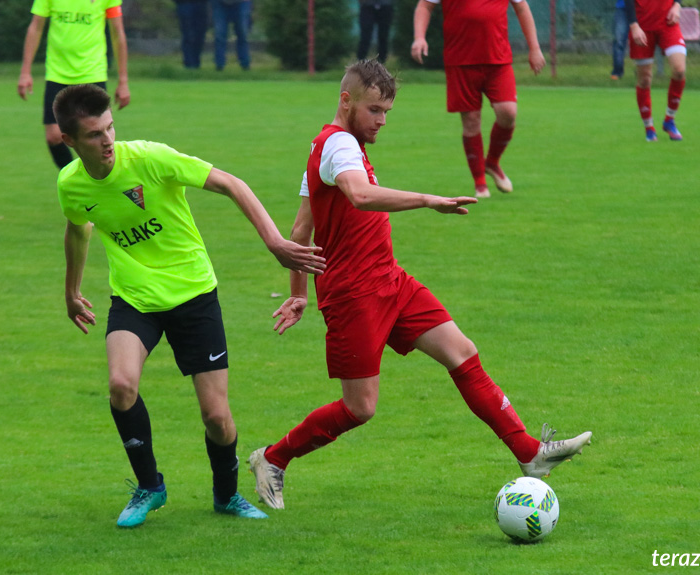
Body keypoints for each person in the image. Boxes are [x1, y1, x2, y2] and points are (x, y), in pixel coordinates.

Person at [247, 60, 592, 511]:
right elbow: (361, 196)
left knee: (462, 352)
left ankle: (530, 454)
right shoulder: (338, 148)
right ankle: (272, 458)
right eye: (375, 110)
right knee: (359, 408)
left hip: (390, 279)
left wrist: (298, 293)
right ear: (346, 101)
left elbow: (299, 233)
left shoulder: (328, 148)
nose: (382, 121)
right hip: (353, 295)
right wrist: (429, 200)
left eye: (387, 111)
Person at [53, 84, 327, 527]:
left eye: (110, 128)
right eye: (93, 135)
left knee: (217, 417)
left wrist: (275, 241)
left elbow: (231, 183)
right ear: (69, 141)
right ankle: (150, 486)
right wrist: (71, 291)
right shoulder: (71, 183)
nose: (107, 141)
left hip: (193, 294)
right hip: (134, 297)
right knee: (121, 386)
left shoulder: (149, 158)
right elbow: (78, 230)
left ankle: (226, 496)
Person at [411, 0, 545, 198]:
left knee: (508, 112)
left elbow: (522, 7)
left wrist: (534, 48)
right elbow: (425, 5)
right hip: (461, 60)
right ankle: (480, 183)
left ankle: (491, 162)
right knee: (471, 120)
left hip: (498, 59)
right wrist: (419, 37)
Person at [18, 0, 131, 170]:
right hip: (57, 75)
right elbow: (36, 28)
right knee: (54, 137)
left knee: (99, 136)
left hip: (93, 73)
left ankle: (103, 183)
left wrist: (123, 81)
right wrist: (25, 72)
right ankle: (77, 179)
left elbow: (117, 33)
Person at [625, 0, 686, 141]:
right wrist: (634, 26)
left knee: (679, 70)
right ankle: (649, 128)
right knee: (645, 79)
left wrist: (677, 5)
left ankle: (669, 120)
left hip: (668, 23)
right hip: (643, 26)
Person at [211, 0, 252, 71]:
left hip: (242, 3)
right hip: (219, 3)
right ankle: (219, 65)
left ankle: (245, 64)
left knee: (242, 34)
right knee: (219, 35)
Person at [174, 0, 209, 69]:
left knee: (199, 35)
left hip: (201, 4)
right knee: (187, 34)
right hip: (184, 4)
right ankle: (189, 64)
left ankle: (196, 63)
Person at [611, 0, 628, 80]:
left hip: (642, 8)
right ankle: (617, 72)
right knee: (619, 40)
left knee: (644, 40)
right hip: (623, 8)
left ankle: (642, 71)